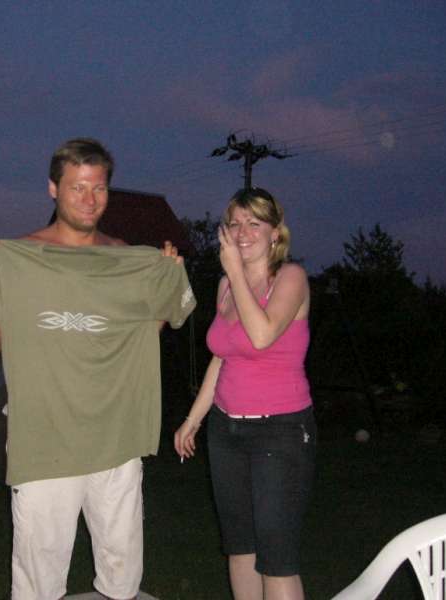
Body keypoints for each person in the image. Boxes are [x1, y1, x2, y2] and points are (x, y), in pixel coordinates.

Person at [0, 138, 196, 600]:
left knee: (122, 577)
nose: (90, 199)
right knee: (38, 582)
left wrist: (166, 273)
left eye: (99, 188)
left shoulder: (125, 257)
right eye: (77, 187)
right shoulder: (19, 256)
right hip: (43, 440)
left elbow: (149, 327)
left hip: (116, 438)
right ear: (53, 189)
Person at [174, 187, 315, 600]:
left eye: (254, 223)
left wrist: (236, 273)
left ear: (275, 232)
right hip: (226, 433)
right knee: (240, 549)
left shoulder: (290, 278)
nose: (242, 232)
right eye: (234, 223)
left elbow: (262, 335)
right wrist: (193, 419)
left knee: (277, 559)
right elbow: (221, 358)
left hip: (281, 433)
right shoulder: (224, 286)